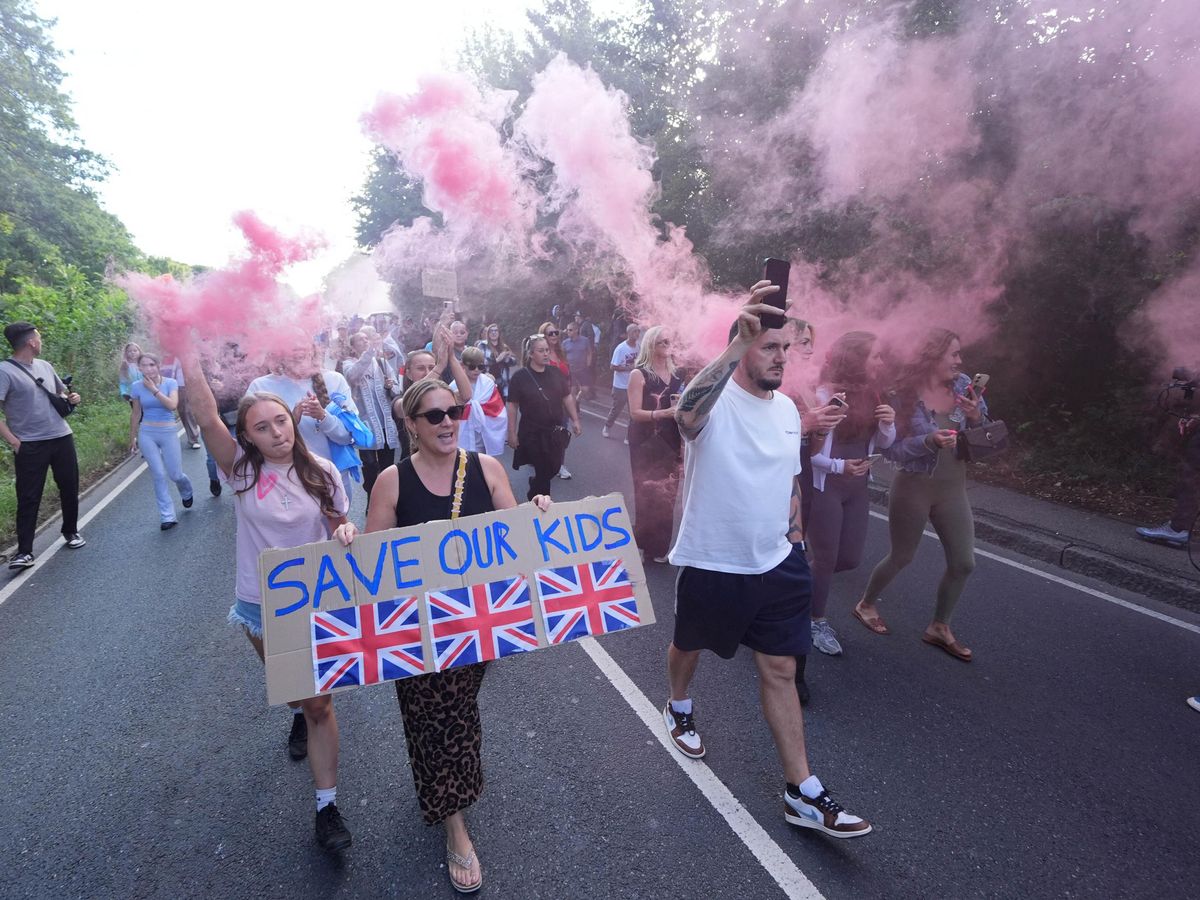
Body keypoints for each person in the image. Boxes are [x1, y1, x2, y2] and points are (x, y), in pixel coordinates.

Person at [663, 286, 872, 839]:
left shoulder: (787, 410)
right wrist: (737, 343)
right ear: (743, 345)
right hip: (714, 560)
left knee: (780, 669)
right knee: (690, 645)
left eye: (786, 347)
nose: (781, 356)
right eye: (768, 345)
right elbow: (684, 414)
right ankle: (679, 704)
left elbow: (787, 477)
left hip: (779, 562)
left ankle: (800, 792)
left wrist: (796, 538)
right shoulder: (713, 402)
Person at [363, 379, 551, 893]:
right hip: (416, 631)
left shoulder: (486, 468)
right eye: (434, 415)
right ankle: (455, 826)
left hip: (476, 628)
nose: (448, 421)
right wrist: (346, 540)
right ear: (412, 425)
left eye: (455, 411)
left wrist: (536, 515)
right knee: (443, 721)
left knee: (454, 712)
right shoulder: (392, 482)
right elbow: (369, 564)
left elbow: (515, 537)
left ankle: (437, 780)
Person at [183, 350, 357, 852]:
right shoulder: (241, 472)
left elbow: (338, 527)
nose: (277, 432)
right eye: (262, 427)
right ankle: (297, 712)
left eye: (281, 420)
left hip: (316, 605)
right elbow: (207, 413)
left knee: (321, 702)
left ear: (294, 420)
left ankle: (327, 808)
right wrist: (186, 349)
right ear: (248, 437)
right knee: (297, 695)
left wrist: (344, 530)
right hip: (260, 610)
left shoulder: (323, 470)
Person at [853, 327, 988, 662]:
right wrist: (929, 441)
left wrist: (975, 415)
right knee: (902, 557)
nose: (960, 360)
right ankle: (866, 604)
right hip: (914, 487)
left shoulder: (964, 385)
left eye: (960, 354)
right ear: (933, 355)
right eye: (953, 354)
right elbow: (893, 451)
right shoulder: (903, 395)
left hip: (953, 488)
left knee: (964, 562)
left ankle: (939, 626)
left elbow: (983, 428)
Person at [806, 332, 896, 656]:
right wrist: (838, 467)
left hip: (858, 488)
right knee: (827, 558)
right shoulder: (823, 394)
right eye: (875, 356)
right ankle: (815, 621)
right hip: (825, 487)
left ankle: (797, 580)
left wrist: (888, 424)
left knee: (849, 559)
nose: (880, 362)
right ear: (856, 359)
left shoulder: (874, 395)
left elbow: (884, 444)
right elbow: (807, 455)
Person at [0, 322, 86, 568]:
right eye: (39, 337)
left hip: (61, 437)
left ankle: (70, 531)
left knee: (69, 487)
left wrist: (72, 398)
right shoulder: (4, 372)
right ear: (31, 342)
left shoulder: (45, 366)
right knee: (28, 496)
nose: (41, 341)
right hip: (30, 445)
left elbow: (60, 394)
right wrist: (14, 441)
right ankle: (24, 552)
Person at [246, 339, 360, 498]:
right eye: (291, 344)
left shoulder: (334, 380)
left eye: (302, 343)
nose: (298, 348)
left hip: (333, 480)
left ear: (312, 348)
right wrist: (290, 421)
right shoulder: (260, 387)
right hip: (286, 481)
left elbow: (348, 437)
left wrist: (323, 416)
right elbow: (250, 439)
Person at [626, 326, 684, 564]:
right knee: (646, 491)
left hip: (671, 438)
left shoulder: (679, 375)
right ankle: (642, 544)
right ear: (650, 344)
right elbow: (634, 413)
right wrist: (664, 413)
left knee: (668, 492)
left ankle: (659, 548)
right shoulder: (639, 374)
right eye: (661, 341)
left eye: (669, 341)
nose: (666, 345)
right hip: (644, 440)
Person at [506, 334, 582, 500]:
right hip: (532, 432)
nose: (546, 354)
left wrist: (575, 420)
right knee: (542, 467)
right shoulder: (520, 377)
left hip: (554, 431)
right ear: (531, 354)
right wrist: (511, 432)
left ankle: (535, 486)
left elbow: (567, 396)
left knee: (554, 467)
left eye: (547, 350)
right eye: (541, 351)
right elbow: (512, 405)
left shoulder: (555, 372)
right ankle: (542, 504)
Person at [128, 354, 195, 530]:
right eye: (144, 365)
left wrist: (154, 390)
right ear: (139, 368)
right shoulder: (135, 387)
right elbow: (136, 413)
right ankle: (167, 516)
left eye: (152, 365)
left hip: (168, 432)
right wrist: (132, 437)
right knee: (158, 474)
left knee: (175, 474)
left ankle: (186, 490)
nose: (149, 369)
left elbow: (172, 405)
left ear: (158, 366)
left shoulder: (170, 383)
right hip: (147, 432)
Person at [342, 330, 402, 500]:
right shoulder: (348, 363)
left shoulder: (381, 363)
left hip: (385, 422)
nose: (365, 341)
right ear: (353, 347)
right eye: (361, 340)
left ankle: (388, 500)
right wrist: (370, 352)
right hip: (365, 424)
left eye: (367, 338)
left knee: (387, 466)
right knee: (369, 465)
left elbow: (397, 387)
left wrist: (391, 385)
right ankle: (372, 497)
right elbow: (354, 376)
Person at [455, 346, 508, 455]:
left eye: (480, 366)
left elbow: (498, 410)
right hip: (464, 435)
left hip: (484, 436)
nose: (476, 370)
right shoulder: (454, 386)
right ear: (462, 365)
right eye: (472, 366)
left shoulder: (488, 384)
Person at [603, 323, 641, 441]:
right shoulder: (621, 348)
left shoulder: (638, 347)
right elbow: (612, 366)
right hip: (620, 385)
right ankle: (607, 427)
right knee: (617, 409)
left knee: (633, 412)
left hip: (633, 385)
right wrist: (628, 368)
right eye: (635, 331)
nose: (637, 334)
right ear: (629, 333)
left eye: (638, 331)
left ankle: (629, 436)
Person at [159, 354, 201, 449]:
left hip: (182, 386)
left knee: (186, 412)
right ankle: (163, 440)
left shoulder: (185, 353)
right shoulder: (164, 356)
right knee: (165, 413)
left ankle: (193, 438)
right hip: (167, 387)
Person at [477, 323, 517, 400]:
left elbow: (514, 362)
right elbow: (480, 362)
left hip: (503, 382)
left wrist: (507, 359)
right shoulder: (482, 345)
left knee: (502, 407)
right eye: (491, 331)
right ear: (488, 334)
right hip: (488, 381)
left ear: (499, 333)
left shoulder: (504, 346)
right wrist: (497, 359)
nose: (494, 333)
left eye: (496, 331)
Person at [561, 321, 593, 403]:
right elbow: (562, 355)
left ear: (576, 330)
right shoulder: (565, 343)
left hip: (583, 369)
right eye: (567, 330)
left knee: (585, 389)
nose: (568, 332)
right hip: (570, 370)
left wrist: (588, 364)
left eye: (570, 330)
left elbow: (589, 352)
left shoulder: (585, 340)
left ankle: (578, 399)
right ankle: (574, 409)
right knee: (572, 391)